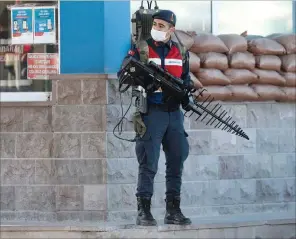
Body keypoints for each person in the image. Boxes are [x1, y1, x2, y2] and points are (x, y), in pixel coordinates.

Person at [118, 9, 192, 226]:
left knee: (177, 160)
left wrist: (187, 94)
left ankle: (173, 210)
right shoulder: (141, 49)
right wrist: (144, 81)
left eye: (162, 26)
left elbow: (186, 78)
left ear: (172, 29)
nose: (157, 29)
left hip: (174, 114)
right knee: (148, 163)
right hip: (151, 113)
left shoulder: (180, 51)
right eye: (155, 24)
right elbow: (122, 75)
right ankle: (144, 211)